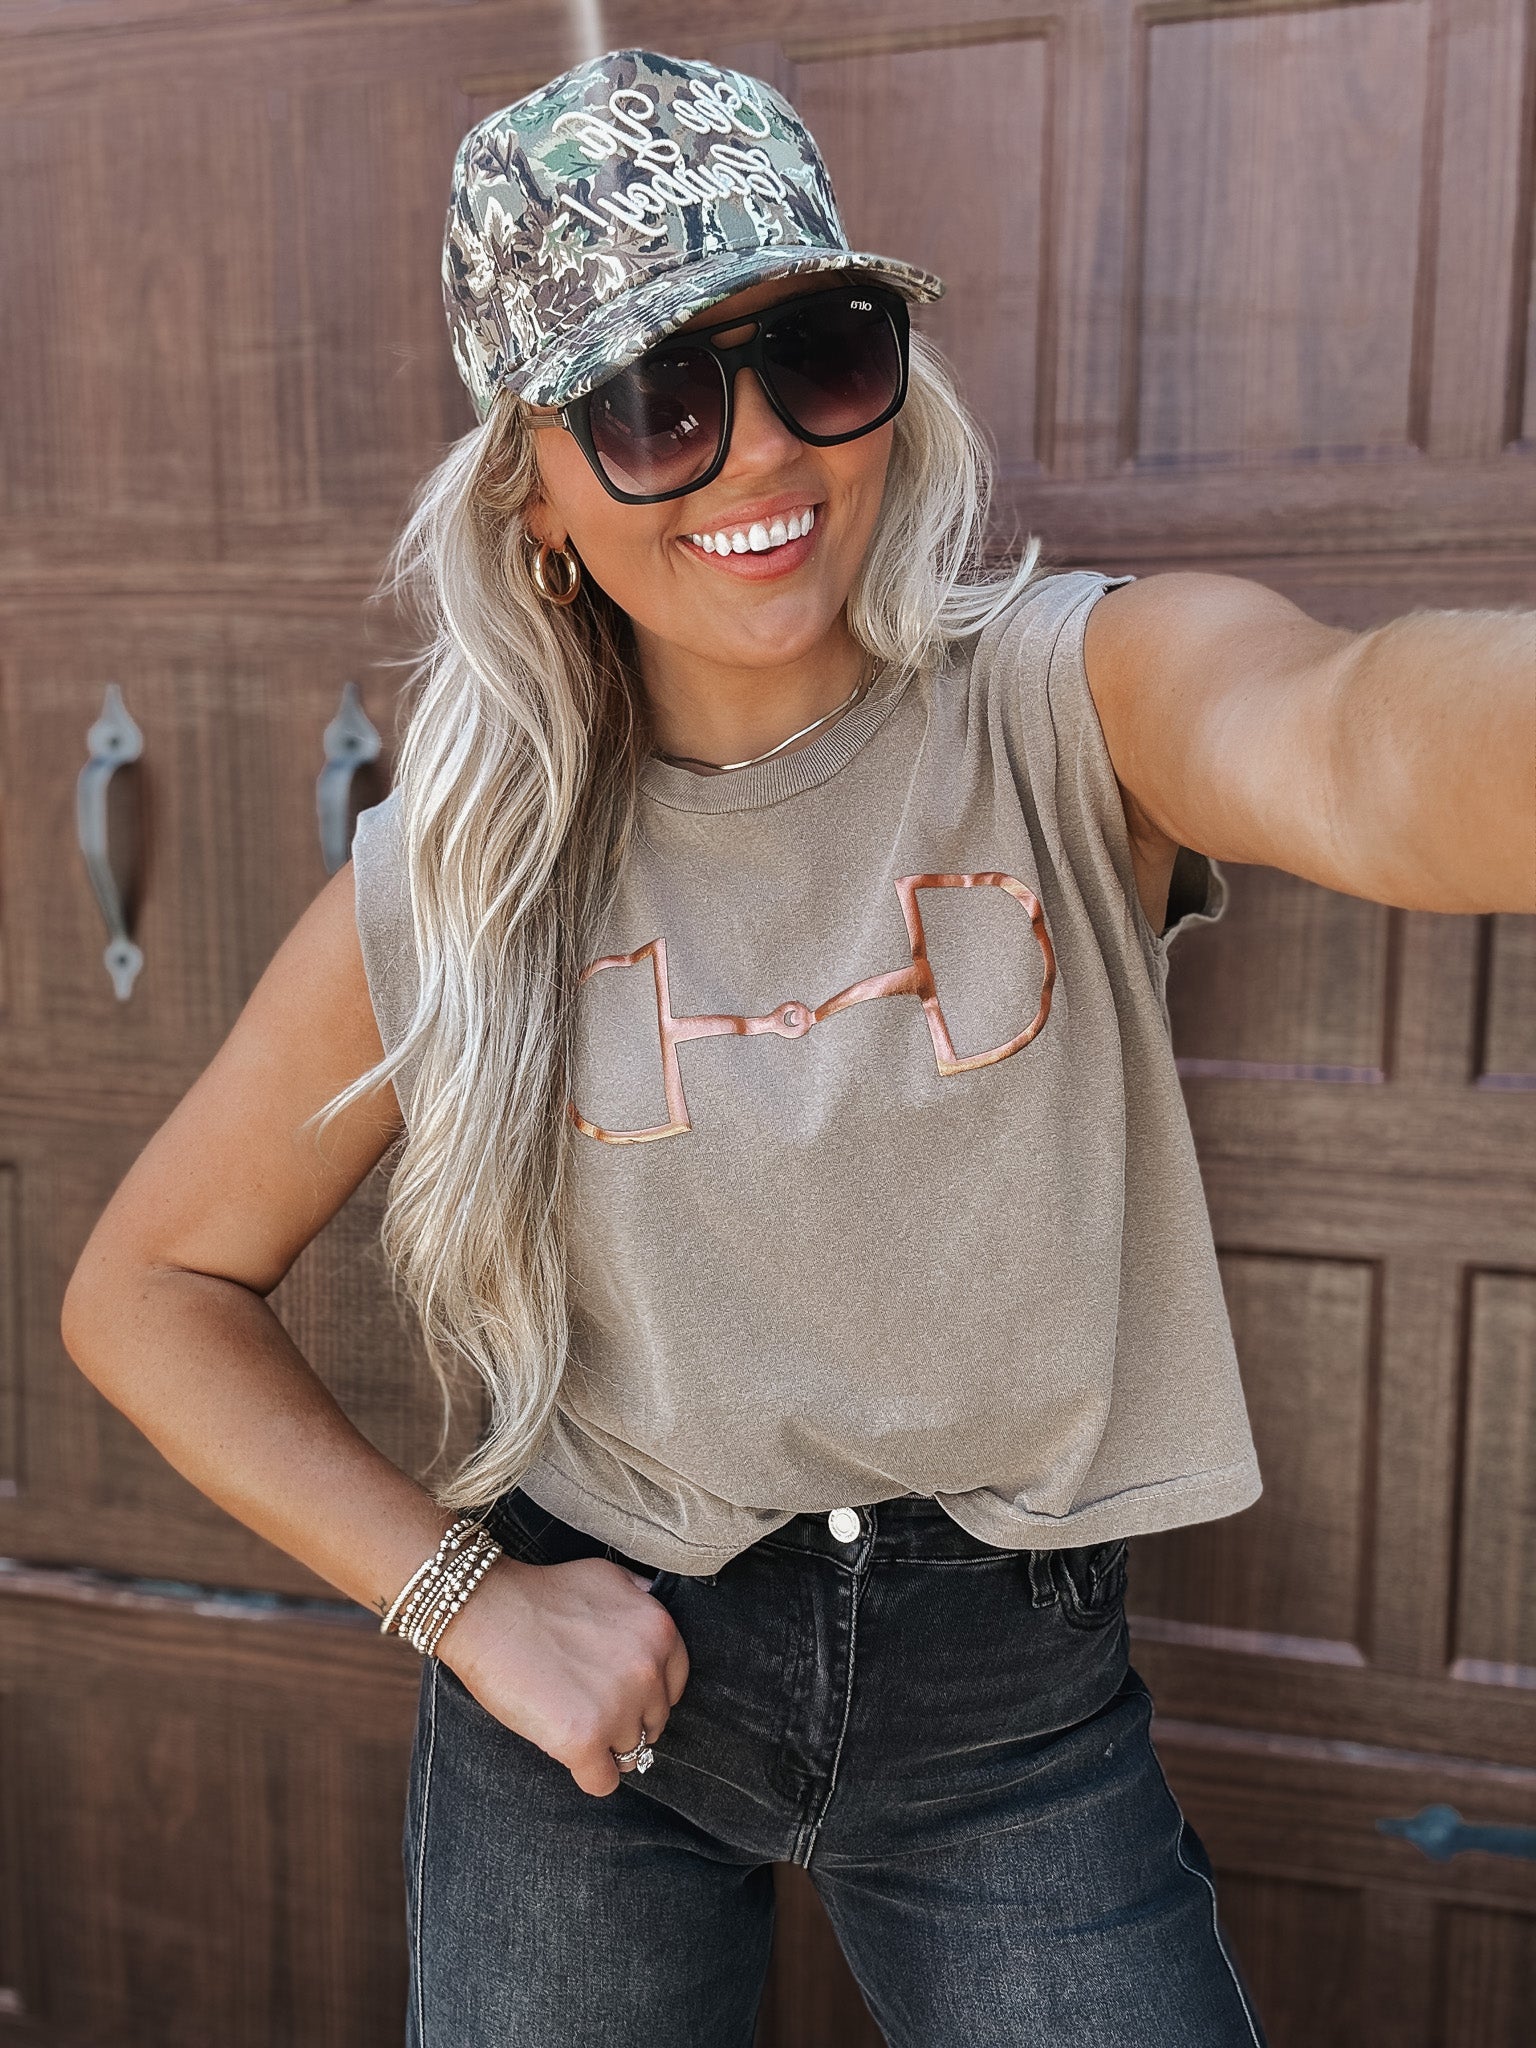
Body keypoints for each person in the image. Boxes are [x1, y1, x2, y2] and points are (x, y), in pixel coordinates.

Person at [60, 47, 1531, 2048]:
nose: (758, 452)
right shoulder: (462, 879)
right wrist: (464, 1600)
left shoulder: (1067, 704)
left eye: (820, 354)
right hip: (603, 1685)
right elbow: (146, 1289)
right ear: (536, 491)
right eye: (653, 401)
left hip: (1010, 1703)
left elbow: (1352, 741)